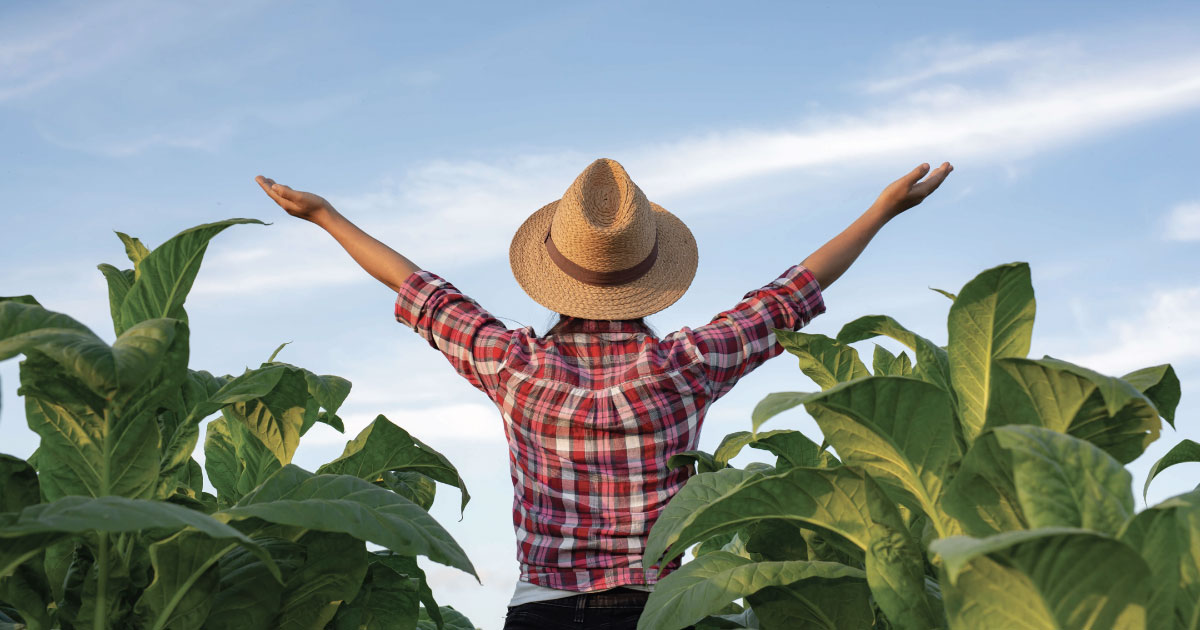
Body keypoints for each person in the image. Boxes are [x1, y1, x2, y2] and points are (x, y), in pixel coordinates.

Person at [256, 157, 952, 630]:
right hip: (658, 610)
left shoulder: (512, 362)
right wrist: (882, 210)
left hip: (541, 610)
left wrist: (325, 216)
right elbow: (789, 295)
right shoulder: (687, 363)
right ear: (649, 275)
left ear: (553, 275)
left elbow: (420, 290)